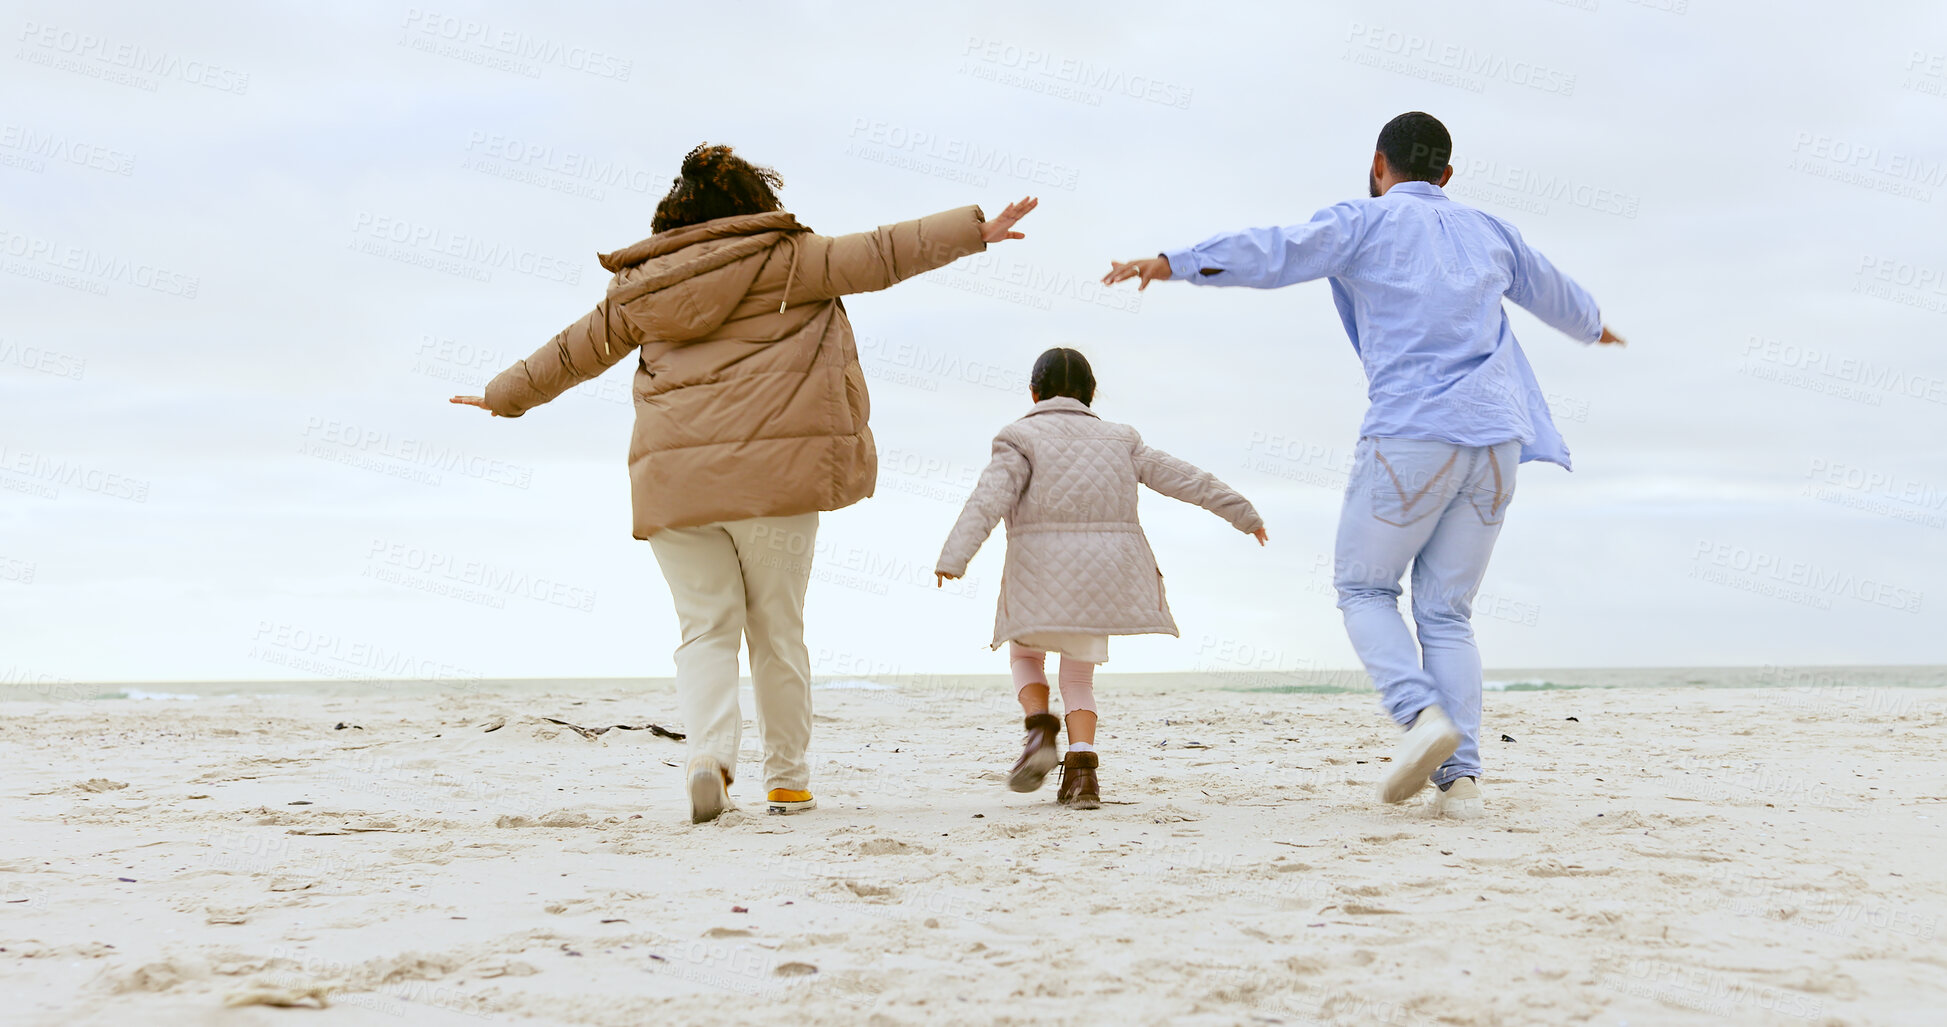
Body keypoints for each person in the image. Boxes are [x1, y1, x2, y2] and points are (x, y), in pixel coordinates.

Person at [452, 143, 1039, 823]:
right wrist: (976, 231)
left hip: (674, 486)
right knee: (777, 630)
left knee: (704, 629)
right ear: (753, 205)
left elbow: (569, 353)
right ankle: (787, 780)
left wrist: (501, 396)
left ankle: (708, 758)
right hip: (776, 484)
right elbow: (884, 252)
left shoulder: (639, 287)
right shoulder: (791, 258)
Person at [1101, 112, 1624, 819]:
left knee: (1363, 587)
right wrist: (1596, 328)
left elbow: (1276, 252)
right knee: (1446, 612)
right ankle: (1460, 781)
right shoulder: (1490, 231)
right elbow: (1556, 293)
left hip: (1413, 432)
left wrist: (1175, 262)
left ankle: (1421, 718)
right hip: (1499, 438)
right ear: (1445, 176)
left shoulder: (1365, 222)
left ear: (1380, 166)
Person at [934, 348, 1267, 810]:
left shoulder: (1019, 437)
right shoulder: (1121, 439)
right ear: (1092, 394)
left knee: (1025, 654)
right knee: (1078, 677)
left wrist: (954, 557)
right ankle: (1083, 773)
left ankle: (1039, 729)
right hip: (1101, 580)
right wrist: (1243, 513)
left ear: (1033, 392)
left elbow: (988, 499)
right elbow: (1185, 477)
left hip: (1038, 575)